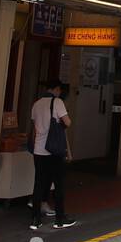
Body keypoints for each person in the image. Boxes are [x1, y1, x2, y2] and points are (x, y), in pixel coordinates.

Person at [29, 81, 77, 230]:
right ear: (56, 89)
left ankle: (36, 220)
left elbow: (35, 128)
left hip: (39, 150)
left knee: (39, 183)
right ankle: (60, 219)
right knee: (58, 184)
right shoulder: (57, 102)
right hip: (54, 151)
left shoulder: (36, 104)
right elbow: (67, 122)